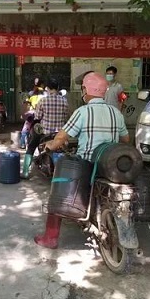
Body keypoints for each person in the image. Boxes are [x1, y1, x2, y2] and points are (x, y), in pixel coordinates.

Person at [33, 72, 130, 249]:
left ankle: (50, 238)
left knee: (59, 190)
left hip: (87, 165)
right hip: (110, 166)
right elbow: (125, 140)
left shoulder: (83, 112)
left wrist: (50, 146)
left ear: (87, 90)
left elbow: (61, 138)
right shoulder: (116, 112)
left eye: (83, 88)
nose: (82, 92)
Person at [21, 79, 69, 179]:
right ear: (57, 88)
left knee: (31, 146)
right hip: (59, 133)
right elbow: (66, 117)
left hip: (45, 133)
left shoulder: (43, 101)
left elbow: (37, 117)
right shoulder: (64, 101)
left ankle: (25, 172)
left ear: (47, 89)